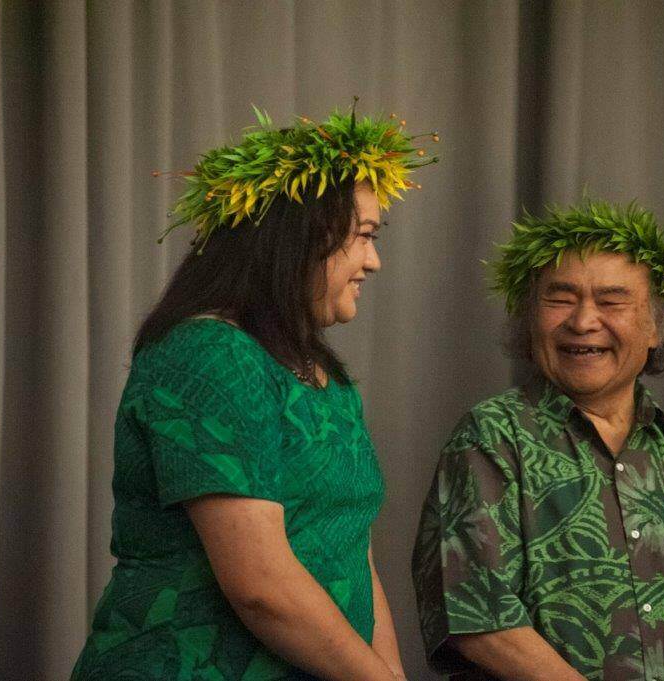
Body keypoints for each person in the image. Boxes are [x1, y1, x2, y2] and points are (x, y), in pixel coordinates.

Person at [71, 104, 437, 681]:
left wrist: (388, 673)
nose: (374, 260)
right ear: (296, 240)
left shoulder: (326, 376)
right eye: (364, 236)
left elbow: (351, 550)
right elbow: (261, 586)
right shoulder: (210, 355)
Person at [411, 201, 664, 681]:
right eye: (560, 299)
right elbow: (481, 623)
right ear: (530, 320)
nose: (584, 321)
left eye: (612, 301)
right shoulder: (491, 439)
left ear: (654, 327)